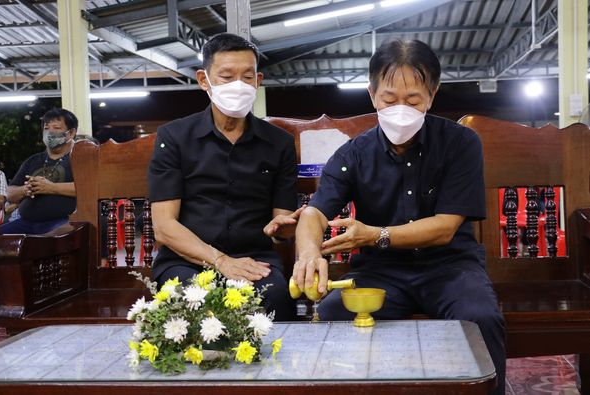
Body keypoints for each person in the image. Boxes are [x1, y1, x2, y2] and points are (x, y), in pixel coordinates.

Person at [293, 39, 505, 395]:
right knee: (332, 315)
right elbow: (314, 212)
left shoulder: (460, 143)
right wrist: (310, 254)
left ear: (432, 95)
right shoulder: (353, 154)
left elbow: (444, 228)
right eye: (390, 99)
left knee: (481, 318)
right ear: (372, 94)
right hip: (380, 274)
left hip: (451, 269)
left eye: (413, 100)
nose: (400, 109)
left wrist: (375, 235)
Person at [148, 33, 302, 321]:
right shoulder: (175, 137)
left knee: (277, 298)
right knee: (188, 302)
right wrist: (221, 261)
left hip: (254, 260)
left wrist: (284, 228)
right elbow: (164, 227)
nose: (238, 86)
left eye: (246, 77)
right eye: (227, 76)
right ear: (204, 80)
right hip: (186, 261)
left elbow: (281, 223)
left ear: (258, 80)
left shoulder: (278, 143)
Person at [1, 108, 77, 234]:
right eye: (46, 128)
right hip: (25, 223)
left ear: (71, 133)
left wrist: (51, 187)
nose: (50, 132)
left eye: (56, 128)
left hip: (63, 222)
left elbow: (89, 189)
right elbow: (10, 193)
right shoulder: (33, 160)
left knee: (51, 240)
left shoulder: (80, 158)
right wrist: (25, 190)